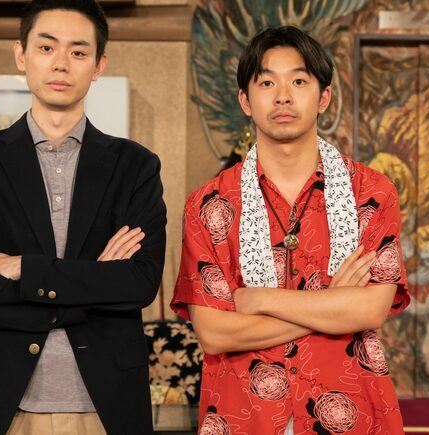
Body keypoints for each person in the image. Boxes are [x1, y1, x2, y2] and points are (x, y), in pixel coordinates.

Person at [0, 0, 166, 435]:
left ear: (98, 65)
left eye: (78, 52)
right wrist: (93, 282)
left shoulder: (135, 165)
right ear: (21, 55)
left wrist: (26, 269)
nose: (61, 63)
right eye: (46, 48)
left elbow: (139, 284)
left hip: (104, 404)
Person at [171, 25, 410, 434]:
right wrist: (332, 304)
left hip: (350, 407)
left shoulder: (370, 193)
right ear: (245, 101)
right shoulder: (209, 204)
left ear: (324, 97)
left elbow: (370, 310)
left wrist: (258, 299)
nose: (283, 96)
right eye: (267, 83)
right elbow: (214, 334)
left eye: (299, 81)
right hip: (244, 413)